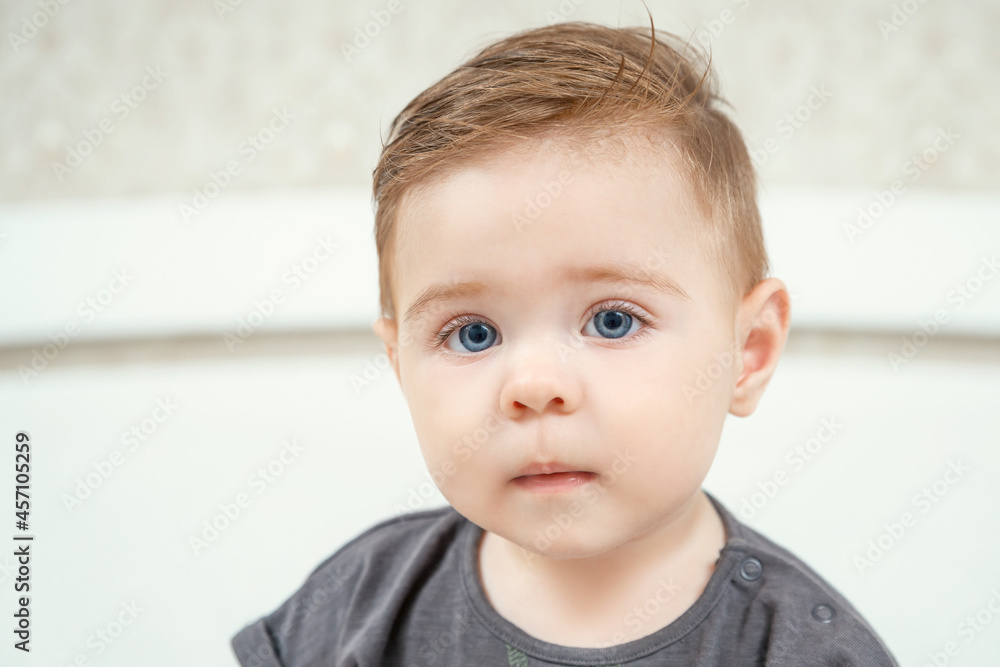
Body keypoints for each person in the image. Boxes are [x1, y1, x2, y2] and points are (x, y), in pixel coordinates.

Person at [231, 16, 898, 666]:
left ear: (748, 351)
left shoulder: (803, 647)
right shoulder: (358, 608)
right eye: (473, 333)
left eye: (613, 320)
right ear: (400, 367)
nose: (533, 384)